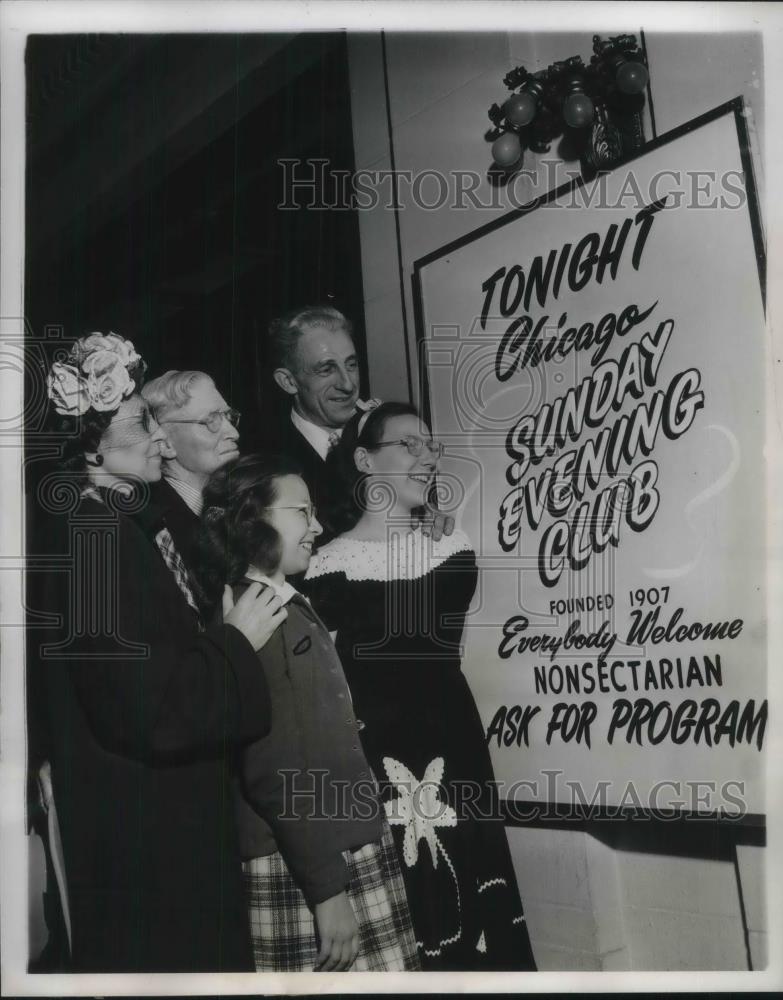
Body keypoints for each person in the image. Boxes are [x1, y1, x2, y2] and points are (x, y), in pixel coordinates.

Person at [34, 333, 285, 972]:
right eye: (140, 421)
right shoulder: (91, 539)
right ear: (91, 443)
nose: (160, 437)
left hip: (165, 818)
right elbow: (145, 710)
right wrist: (237, 641)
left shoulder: (118, 524)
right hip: (147, 833)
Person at [303, 402, 537, 971]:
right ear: (364, 460)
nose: (428, 457)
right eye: (408, 445)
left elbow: (458, 654)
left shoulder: (452, 550)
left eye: (430, 445)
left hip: (455, 741)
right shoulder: (327, 567)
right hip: (381, 760)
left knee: (479, 895)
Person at [195, 454, 421, 973]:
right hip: (312, 867)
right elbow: (274, 768)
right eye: (302, 512)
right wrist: (326, 891)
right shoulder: (254, 616)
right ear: (253, 521)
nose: (317, 527)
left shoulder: (284, 603)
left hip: (338, 847)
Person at [263, 304, 452, 542]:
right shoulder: (268, 464)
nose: (348, 384)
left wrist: (427, 513)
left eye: (351, 365)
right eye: (326, 369)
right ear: (289, 381)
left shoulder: (383, 435)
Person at [141, 369, 241, 584]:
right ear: (165, 443)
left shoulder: (237, 507)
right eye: (211, 421)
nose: (233, 432)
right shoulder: (155, 530)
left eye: (228, 417)